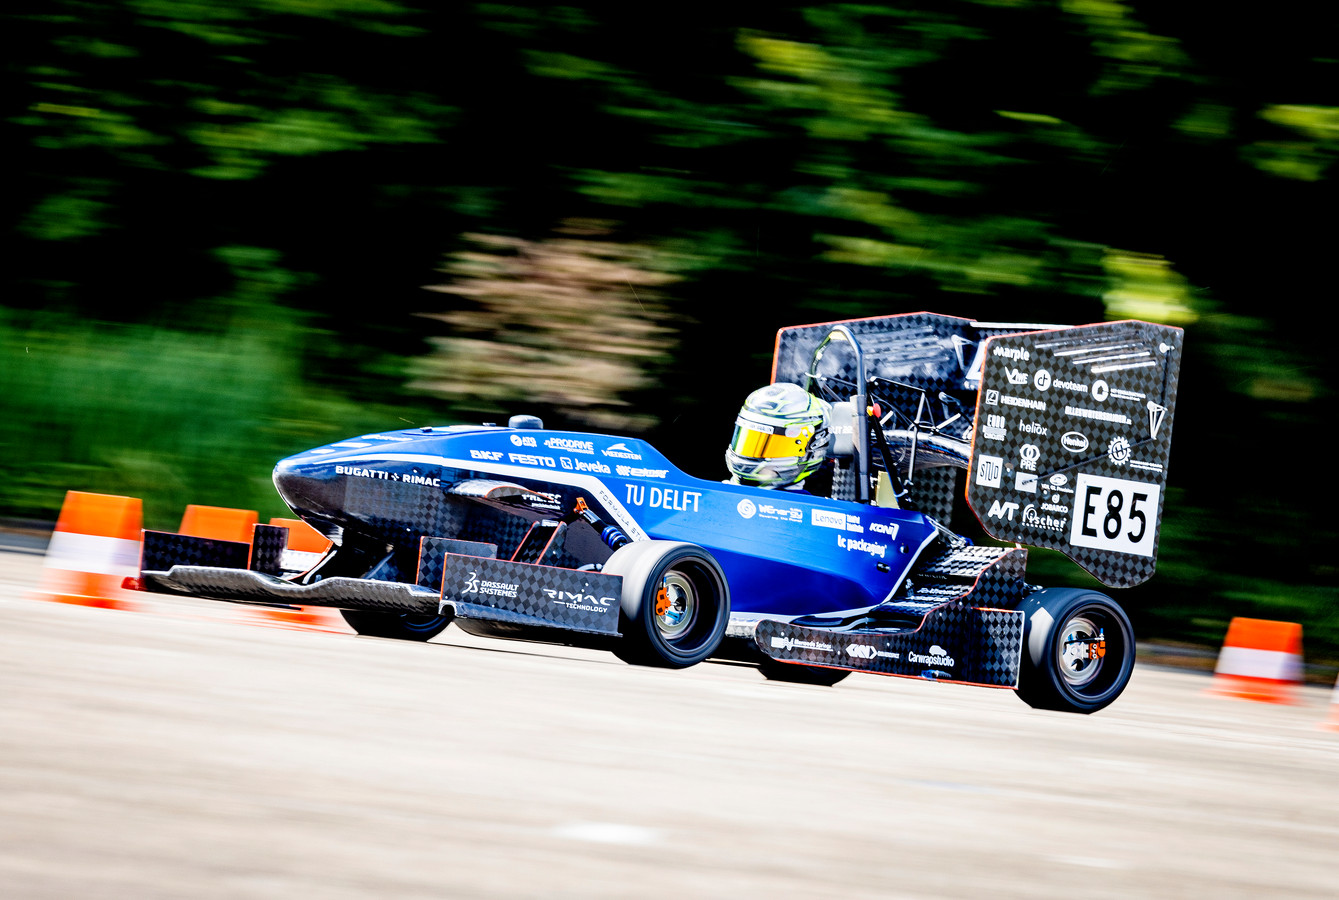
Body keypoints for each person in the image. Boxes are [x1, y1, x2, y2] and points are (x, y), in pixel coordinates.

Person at [725, 382, 832, 492]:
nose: (748, 456)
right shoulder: (715, 493)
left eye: (773, 446)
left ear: (812, 447)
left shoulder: (813, 508)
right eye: (749, 441)